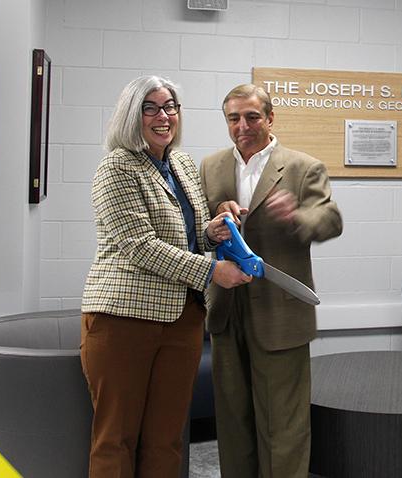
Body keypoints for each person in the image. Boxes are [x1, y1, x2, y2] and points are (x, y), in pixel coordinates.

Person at [81, 75, 249, 477]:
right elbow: (139, 245)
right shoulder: (117, 166)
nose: (164, 116)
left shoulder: (182, 164)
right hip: (124, 319)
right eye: (151, 107)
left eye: (170, 106)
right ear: (131, 114)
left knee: (167, 437)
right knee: (116, 439)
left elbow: (187, 236)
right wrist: (212, 269)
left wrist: (213, 231)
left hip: (183, 320)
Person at [200, 84, 343, 478]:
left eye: (251, 117)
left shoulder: (302, 167)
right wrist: (213, 229)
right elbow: (196, 231)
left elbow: (331, 219)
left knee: (284, 426)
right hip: (227, 311)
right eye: (233, 118)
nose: (242, 126)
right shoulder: (210, 167)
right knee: (233, 424)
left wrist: (297, 216)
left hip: (281, 314)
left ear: (270, 118)